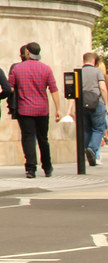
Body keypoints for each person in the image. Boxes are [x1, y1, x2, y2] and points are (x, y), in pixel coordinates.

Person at [8, 42, 60, 179]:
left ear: (27, 53)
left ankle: (31, 168)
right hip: (42, 109)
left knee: (28, 138)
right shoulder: (46, 69)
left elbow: (11, 88)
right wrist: (58, 109)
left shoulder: (17, 69)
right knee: (43, 138)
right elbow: (54, 90)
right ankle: (47, 167)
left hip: (25, 110)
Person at [79, 52, 108, 167]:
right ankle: (92, 150)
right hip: (96, 103)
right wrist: (106, 103)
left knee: (86, 130)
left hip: (82, 104)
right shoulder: (97, 71)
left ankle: (89, 153)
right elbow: (102, 87)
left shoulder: (79, 72)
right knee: (98, 129)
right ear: (94, 61)